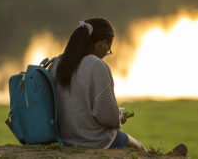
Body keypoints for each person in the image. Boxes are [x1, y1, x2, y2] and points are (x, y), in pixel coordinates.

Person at [49, 17, 147, 151]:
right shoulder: (97, 66)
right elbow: (106, 117)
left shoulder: (56, 63)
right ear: (101, 42)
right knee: (139, 146)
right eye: (108, 47)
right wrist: (118, 116)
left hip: (63, 138)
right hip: (93, 140)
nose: (107, 52)